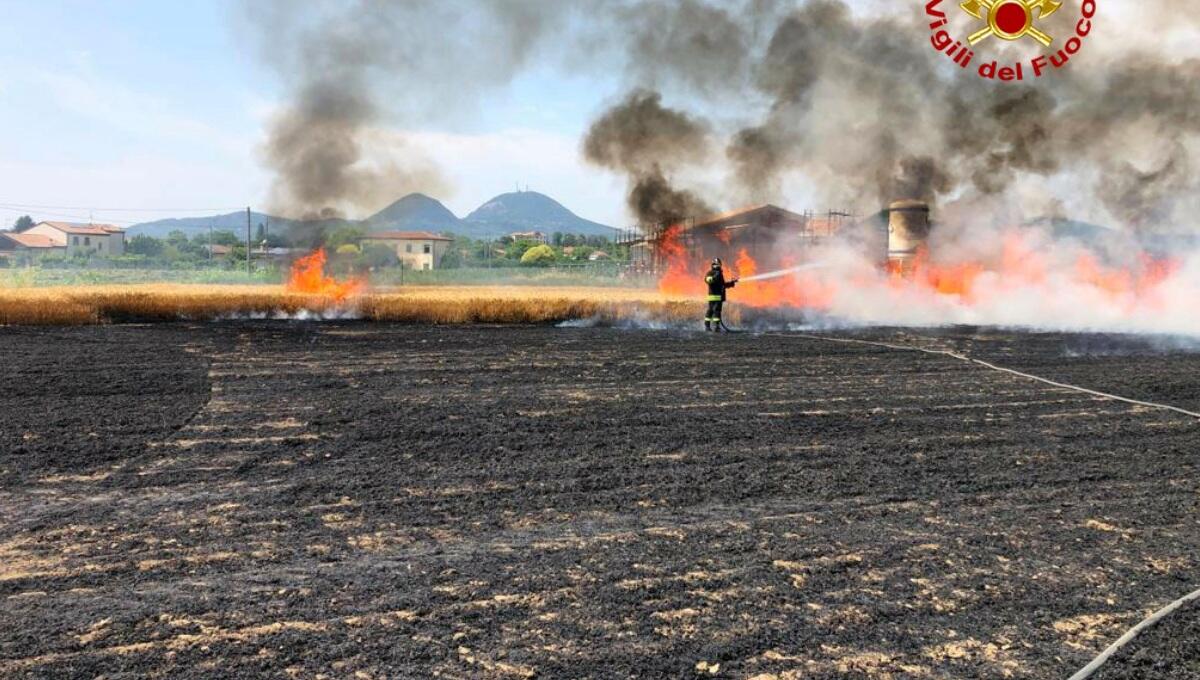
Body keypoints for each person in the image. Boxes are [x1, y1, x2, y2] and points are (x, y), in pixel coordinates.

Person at [704, 258, 737, 332]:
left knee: (714, 311)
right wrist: (715, 276)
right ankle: (712, 327)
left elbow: (722, 285)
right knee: (715, 311)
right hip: (715, 296)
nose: (718, 266)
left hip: (716, 296)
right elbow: (708, 280)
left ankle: (713, 326)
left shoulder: (717, 273)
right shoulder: (712, 273)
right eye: (717, 265)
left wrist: (731, 283)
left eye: (718, 265)